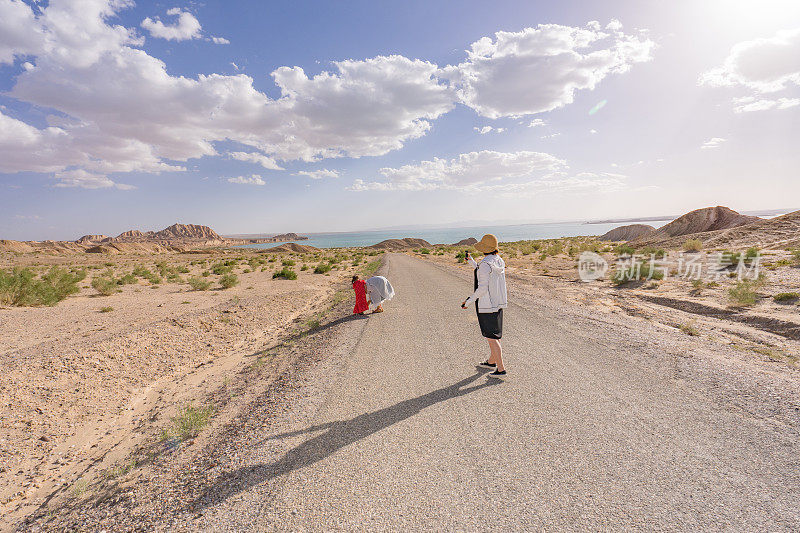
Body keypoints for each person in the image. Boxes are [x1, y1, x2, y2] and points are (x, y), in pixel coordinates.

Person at [460, 234, 508, 375]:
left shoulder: (485, 264)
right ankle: (492, 362)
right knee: (495, 336)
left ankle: (501, 369)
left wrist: (468, 301)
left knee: (491, 337)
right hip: (498, 303)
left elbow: (482, 288)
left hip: (487, 305)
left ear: (484, 248)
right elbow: (485, 272)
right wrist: (473, 263)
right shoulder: (498, 261)